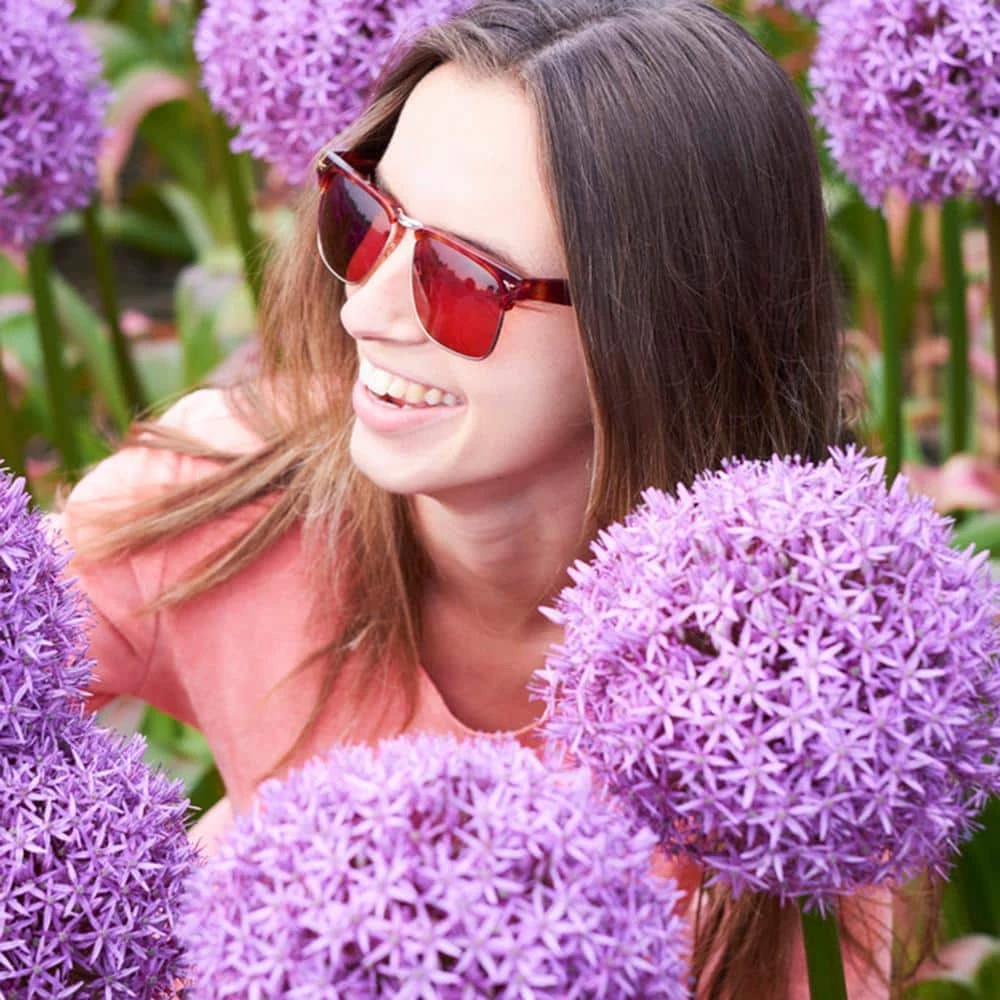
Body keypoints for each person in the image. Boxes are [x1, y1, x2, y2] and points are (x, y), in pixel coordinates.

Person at [52, 0, 893, 995]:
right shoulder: (225, 499)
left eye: (461, 278)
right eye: (364, 220)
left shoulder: (800, 688)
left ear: (661, 328)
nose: (364, 310)